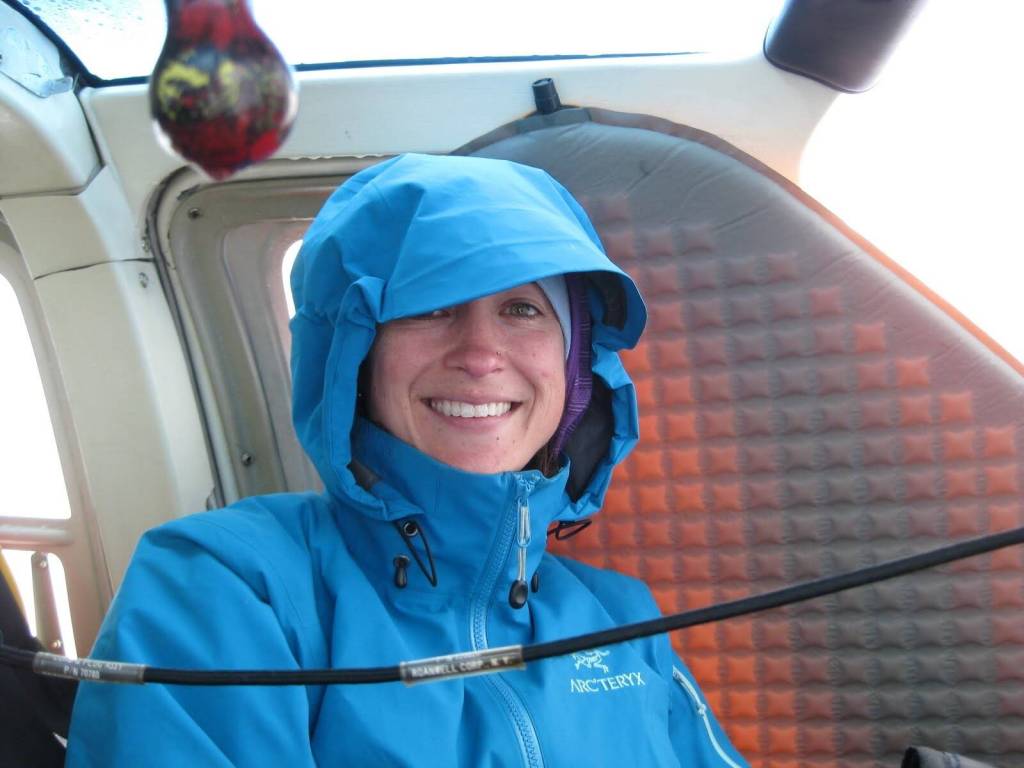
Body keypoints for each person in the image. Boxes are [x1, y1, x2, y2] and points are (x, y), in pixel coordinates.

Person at [66, 154, 748, 767]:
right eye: (432, 308)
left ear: (573, 370)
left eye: (521, 309)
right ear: (355, 359)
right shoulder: (229, 584)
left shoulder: (618, 615)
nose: (481, 355)